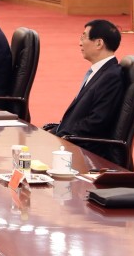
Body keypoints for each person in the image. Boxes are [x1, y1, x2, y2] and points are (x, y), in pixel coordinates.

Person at [43, 19, 124, 162]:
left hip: (86, 153)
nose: (80, 43)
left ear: (99, 43)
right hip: (71, 140)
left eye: (84, 37)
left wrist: (62, 137)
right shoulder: (99, 72)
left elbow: (97, 121)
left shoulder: (112, 76)